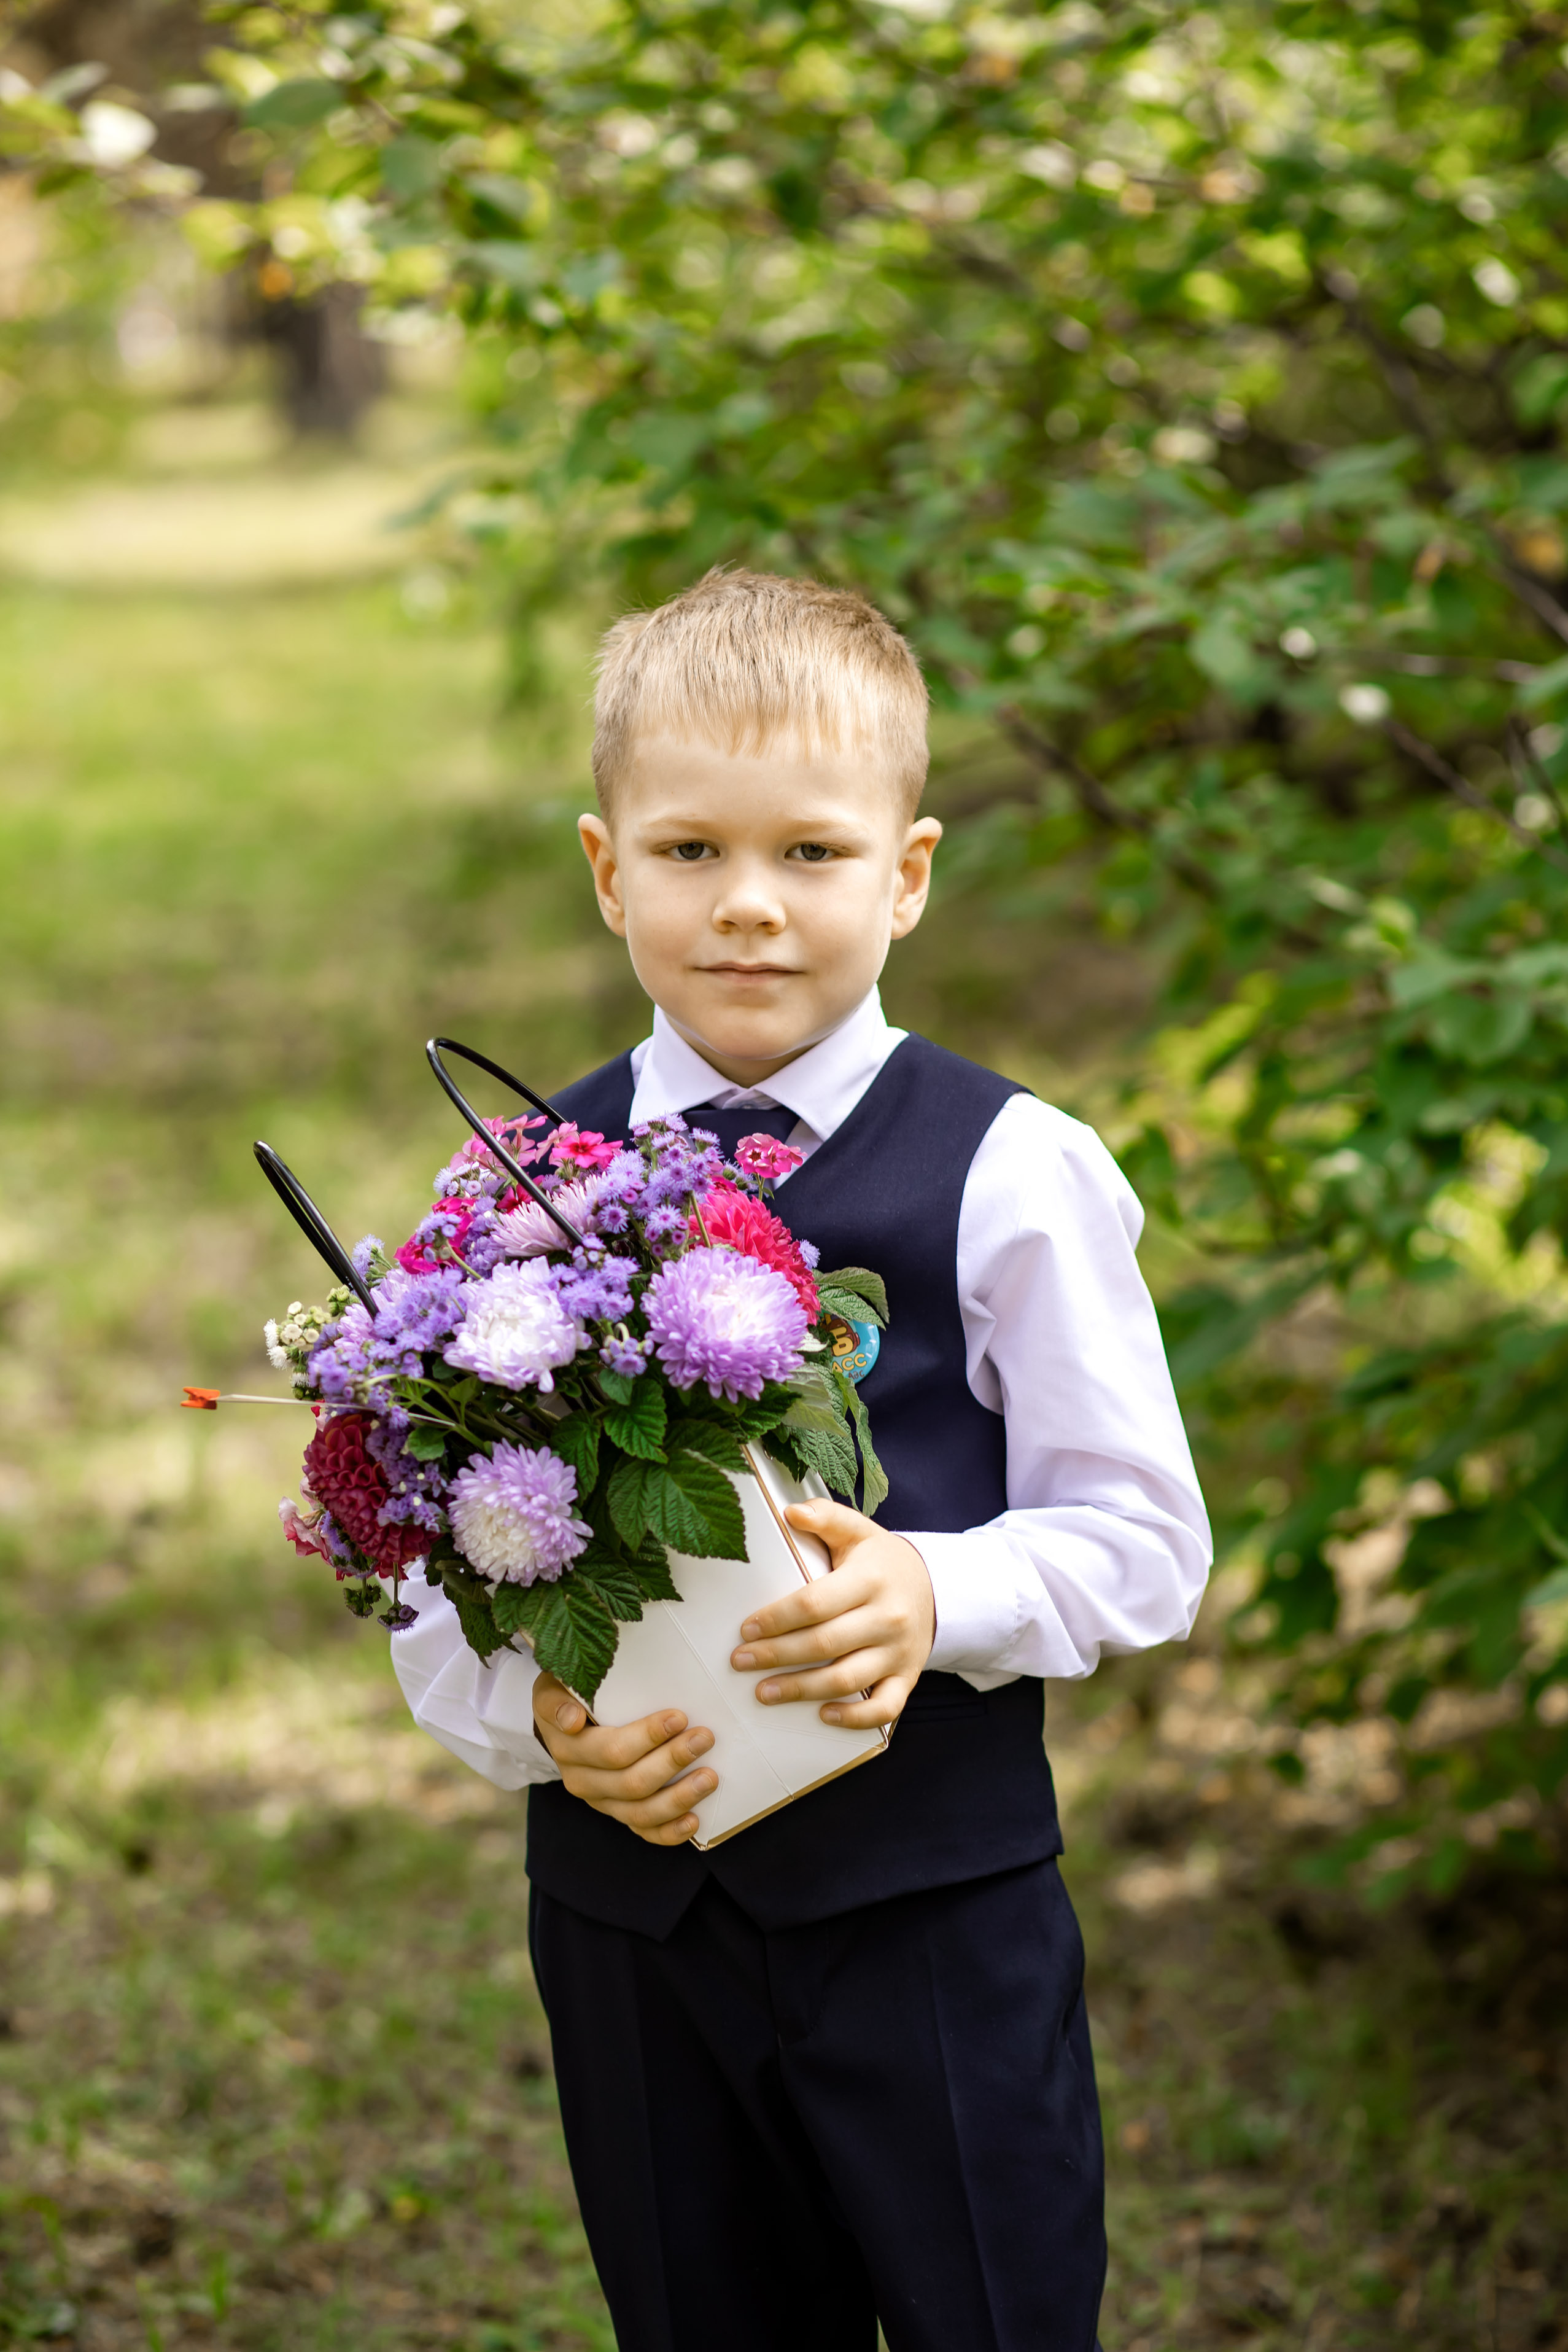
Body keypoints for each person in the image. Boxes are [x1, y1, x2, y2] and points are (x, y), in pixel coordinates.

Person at [392, 568, 1211, 2352]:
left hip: (930, 1910)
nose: (748, 906)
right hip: (632, 1926)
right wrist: (533, 1723)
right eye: (687, 853)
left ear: (905, 874)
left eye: (812, 856)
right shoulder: (515, 1190)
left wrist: (938, 1583)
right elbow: (430, 1568)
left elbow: (1142, 1537)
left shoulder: (1010, 1167)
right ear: (607, 870)